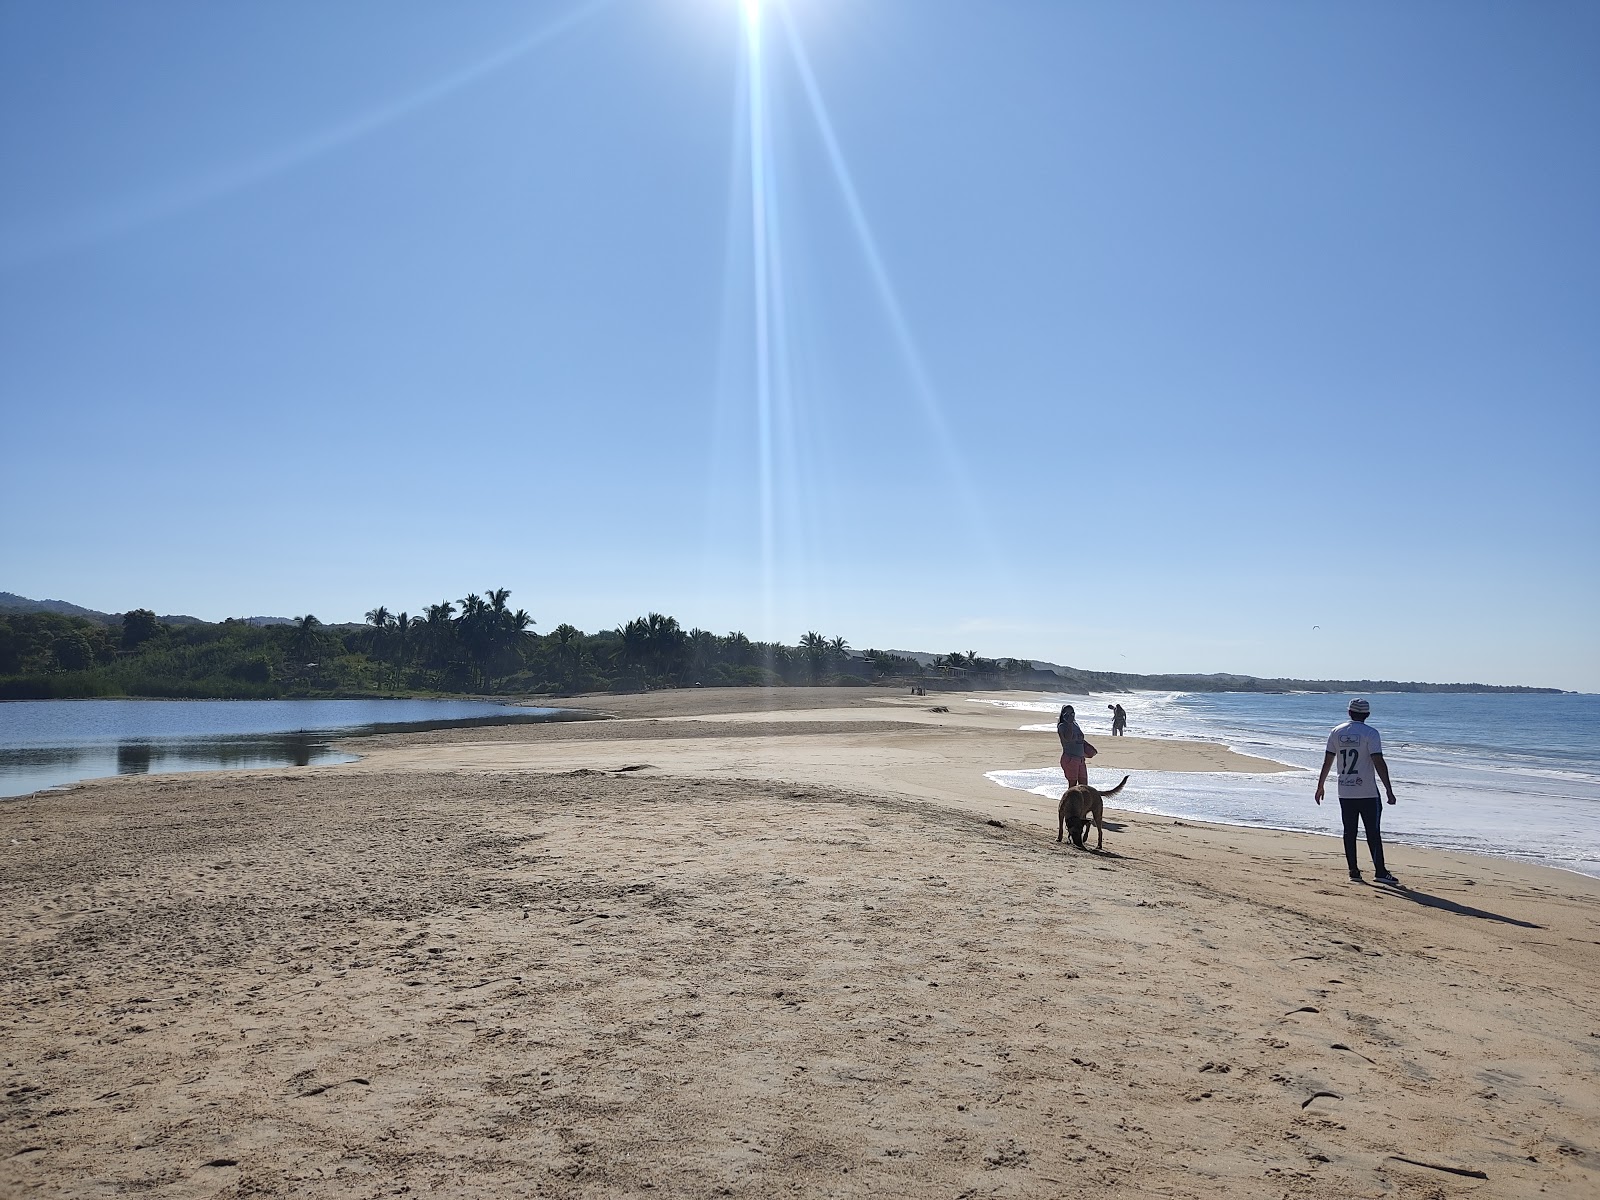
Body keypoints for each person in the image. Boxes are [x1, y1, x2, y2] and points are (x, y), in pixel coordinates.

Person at [1314, 698, 1399, 884]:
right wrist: (1389, 790)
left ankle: (1353, 871)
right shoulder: (1371, 734)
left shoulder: (1336, 732)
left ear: (1349, 713)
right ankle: (1380, 872)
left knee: (1349, 831)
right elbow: (1378, 762)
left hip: (1345, 791)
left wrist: (1320, 786)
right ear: (1367, 715)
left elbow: (1327, 761)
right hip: (1367, 791)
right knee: (1373, 831)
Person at [1057, 704, 1089, 787]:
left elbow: (1081, 737)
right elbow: (1068, 738)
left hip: (1080, 759)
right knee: (1073, 785)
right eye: (1067, 713)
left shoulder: (1076, 724)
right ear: (1063, 714)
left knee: (1084, 785)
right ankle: (1070, 800)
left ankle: (1083, 800)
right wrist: (1069, 723)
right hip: (1070, 758)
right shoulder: (1062, 726)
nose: (1070, 715)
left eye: (1072, 713)